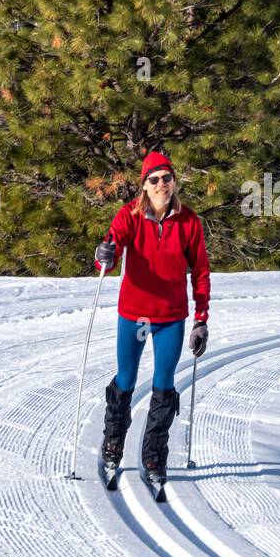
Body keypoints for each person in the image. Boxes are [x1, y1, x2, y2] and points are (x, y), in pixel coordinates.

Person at [94, 151, 210, 482]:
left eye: (167, 178)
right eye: (154, 179)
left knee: (164, 385)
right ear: (144, 185)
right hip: (134, 315)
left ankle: (154, 453)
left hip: (171, 317)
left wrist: (201, 319)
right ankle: (114, 441)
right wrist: (106, 254)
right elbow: (112, 247)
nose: (162, 184)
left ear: (174, 182)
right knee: (127, 379)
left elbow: (200, 271)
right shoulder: (130, 216)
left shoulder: (189, 222)